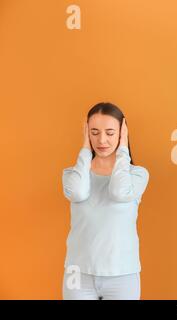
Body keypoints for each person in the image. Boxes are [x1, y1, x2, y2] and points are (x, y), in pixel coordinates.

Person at [62, 102, 149, 300]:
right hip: (77, 272)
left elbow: (119, 192)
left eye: (110, 133)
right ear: (87, 133)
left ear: (122, 133)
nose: (102, 140)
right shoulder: (72, 175)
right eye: (94, 132)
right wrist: (85, 148)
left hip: (123, 273)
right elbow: (77, 193)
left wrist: (123, 149)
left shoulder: (137, 175)